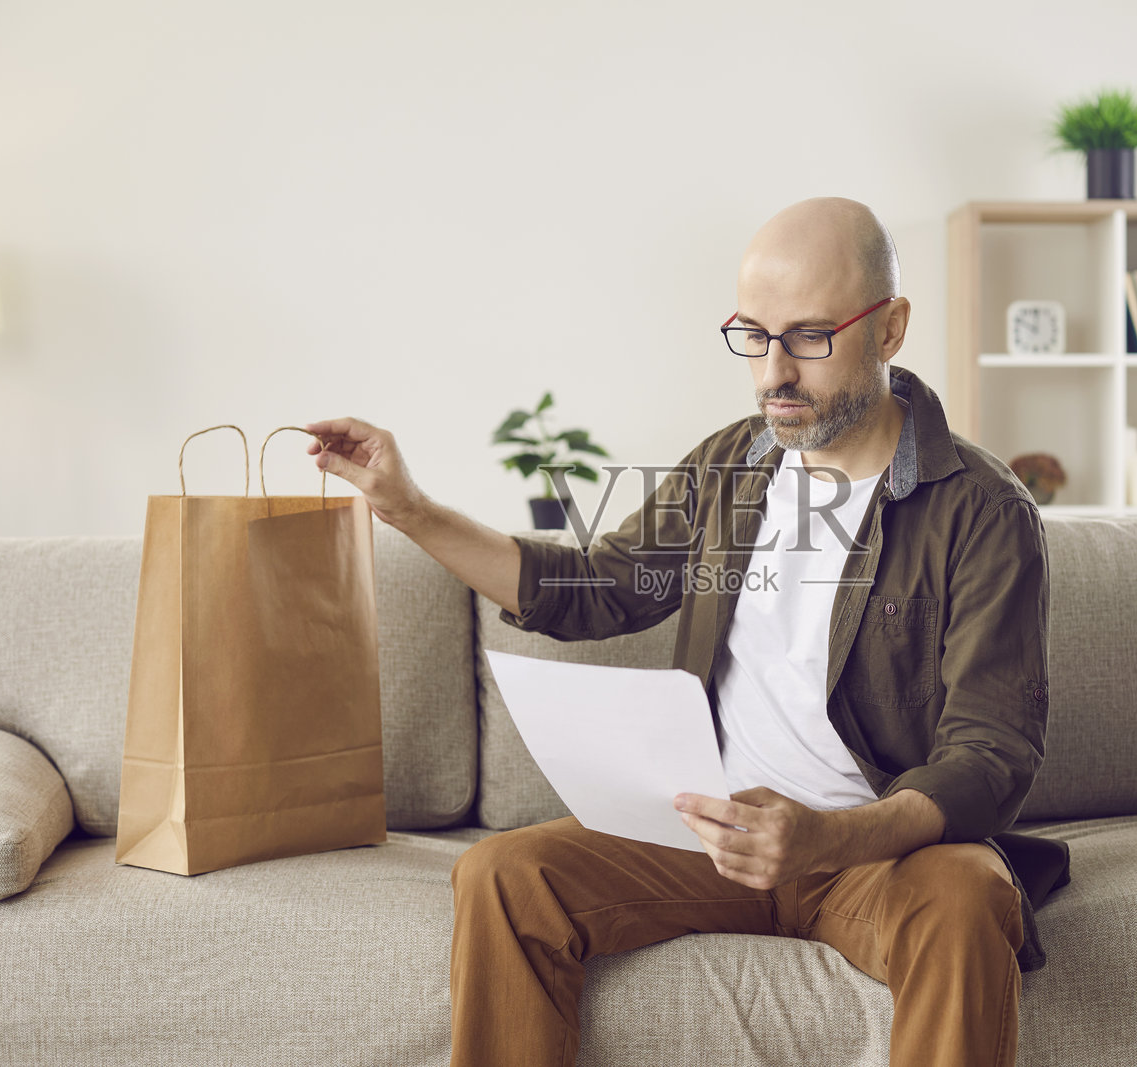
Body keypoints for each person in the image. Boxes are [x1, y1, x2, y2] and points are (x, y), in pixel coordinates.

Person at [304, 196, 1071, 1067]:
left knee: (969, 896)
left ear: (890, 329)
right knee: (504, 874)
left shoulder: (981, 509)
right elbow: (595, 589)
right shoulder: (732, 465)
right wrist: (409, 510)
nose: (774, 372)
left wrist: (827, 838)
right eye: (754, 334)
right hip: (711, 831)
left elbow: (990, 752)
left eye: (811, 337)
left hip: (878, 852)